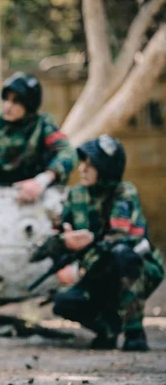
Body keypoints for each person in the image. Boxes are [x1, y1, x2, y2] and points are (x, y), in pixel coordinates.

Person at [52, 135, 164, 350]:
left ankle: (134, 331)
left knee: (122, 256)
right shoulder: (75, 196)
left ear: (105, 169)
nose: (82, 168)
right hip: (97, 270)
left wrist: (81, 268)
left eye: (90, 164)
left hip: (138, 267)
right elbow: (58, 235)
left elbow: (121, 239)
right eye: (83, 162)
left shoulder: (124, 192)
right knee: (65, 302)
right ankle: (108, 328)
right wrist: (63, 242)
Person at [0, 72, 77, 202]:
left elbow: (68, 153)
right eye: (6, 99)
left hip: (35, 195)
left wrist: (43, 179)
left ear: (29, 104)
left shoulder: (42, 125)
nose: (8, 106)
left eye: (16, 101)